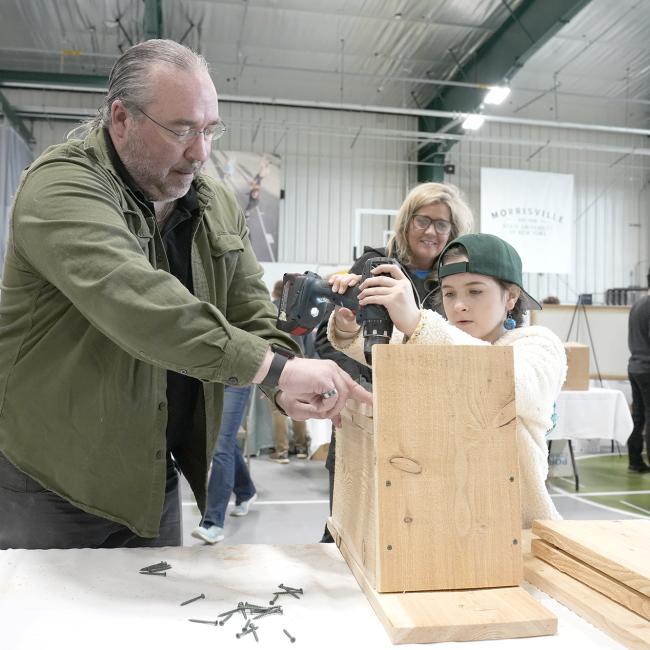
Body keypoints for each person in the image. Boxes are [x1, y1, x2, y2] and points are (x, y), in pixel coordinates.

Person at [0, 39, 371, 550]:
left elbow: (249, 307)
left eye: (209, 130)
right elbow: (137, 303)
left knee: (157, 622)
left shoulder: (214, 201)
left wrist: (279, 384)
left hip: (151, 475)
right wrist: (276, 369)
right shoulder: (61, 188)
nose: (200, 151)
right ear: (121, 118)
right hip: (50, 480)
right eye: (180, 130)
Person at [328, 233, 567, 528]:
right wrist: (349, 322)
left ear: (511, 297)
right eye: (450, 293)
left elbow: (508, 381)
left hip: (517, 530)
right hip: (447, 528)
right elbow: (396, 348)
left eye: (475, 291)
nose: (459, 306)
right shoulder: (436, 343)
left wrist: (418, 323)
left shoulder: (539, 344)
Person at [316, 182, 474, 541]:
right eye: (423, 220)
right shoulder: (373, 267)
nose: (431, 231)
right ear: (406, 222)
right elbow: (329, 339)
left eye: (442, 225)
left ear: (453, 232)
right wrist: (362, 386)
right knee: (349, 526)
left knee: (411, 531)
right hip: (366, 418)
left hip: (429, 426)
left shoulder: (456, 281)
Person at [192, 385, 255, 544]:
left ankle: (212, 523)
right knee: (225, 441)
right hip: (208, 380)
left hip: (236, 379)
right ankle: (246, 492)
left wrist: (274, 388)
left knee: (221, 446)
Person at [270, 279, 311, 462]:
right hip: (300, 363)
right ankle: (302, 448)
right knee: (299, 406)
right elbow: (309, 340)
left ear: (275, 293)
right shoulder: (298, 310)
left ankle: (282, 452)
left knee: (278, 408)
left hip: (276, 364)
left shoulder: (270, 309)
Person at [626, 277, 650, 473]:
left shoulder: (638, 305)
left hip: (634, 365)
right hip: (648, 368)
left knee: (638, 416)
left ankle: (635, 460)